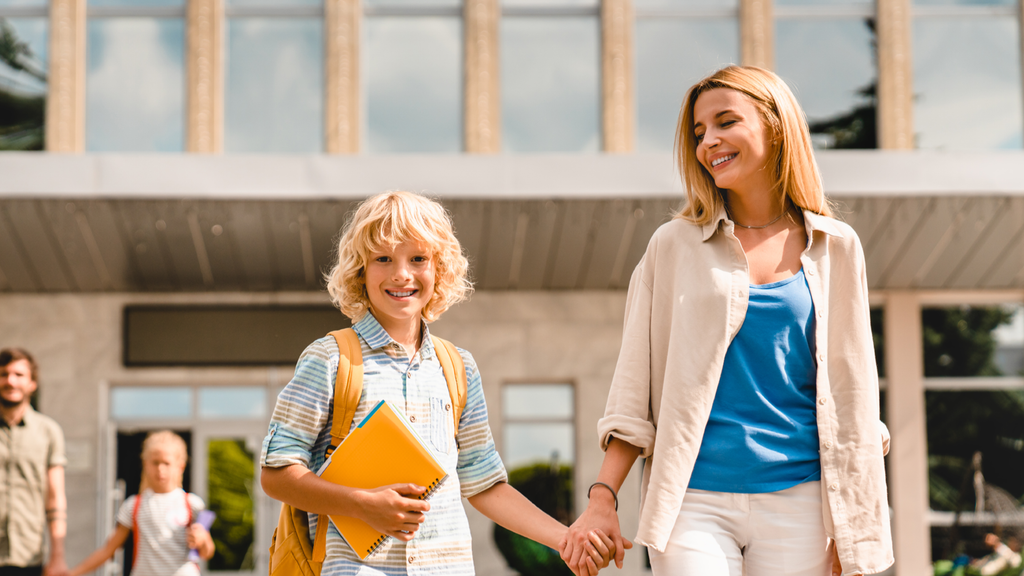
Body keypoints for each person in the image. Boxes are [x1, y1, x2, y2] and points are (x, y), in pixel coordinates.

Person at [560, 65, 894, 576]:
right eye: (699, 133)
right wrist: (602, 496)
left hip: (801, 499)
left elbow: (854, 394)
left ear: (775, 126)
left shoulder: (837, 248)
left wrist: (849, 523)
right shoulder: (672, 246)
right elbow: (635, 387)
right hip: (693, 499)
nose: (708, 142)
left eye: (724, 122)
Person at [259, 190, 612, 576]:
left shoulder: (458, 368)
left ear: (439, 269)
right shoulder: (330, 359)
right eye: (383, 259)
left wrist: (565, 539)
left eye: (418, 259)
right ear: (360, 270)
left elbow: (484, 483)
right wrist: (361, 503)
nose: (401, 274)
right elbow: (276, 473)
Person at [68, 430, 214, 576]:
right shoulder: (133, 505)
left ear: (180, 466)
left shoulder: (192, 504)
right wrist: (73, 573)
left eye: (166, 463)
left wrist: (203, 539)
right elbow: (108, 550)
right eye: (155, 463)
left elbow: (207, 552)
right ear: (145, 464)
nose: (160, 469)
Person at [0, 348, 68, 576]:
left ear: (32, 383)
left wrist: (57, 556)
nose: (10, 381)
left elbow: (55, 496)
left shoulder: (49, 432)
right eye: (3, 374)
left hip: (28, 556)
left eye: (19, 375)